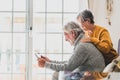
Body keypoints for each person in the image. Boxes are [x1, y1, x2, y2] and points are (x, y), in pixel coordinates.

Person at [37, 21, 105, 80]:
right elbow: (70, 63)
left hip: (92, 75)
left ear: (73, 33)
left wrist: (45, 64)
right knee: (56, 74)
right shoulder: (81, 42)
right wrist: (50, 61)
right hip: (88, 73)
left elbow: (69, 67)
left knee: (60, 75)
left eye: (65, 34)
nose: (65, 39)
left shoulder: (82, 46)